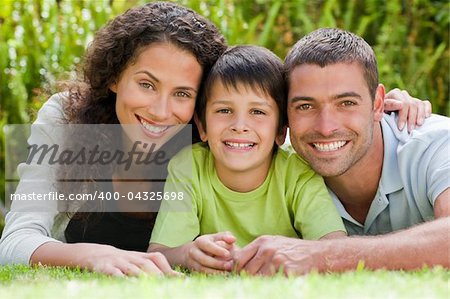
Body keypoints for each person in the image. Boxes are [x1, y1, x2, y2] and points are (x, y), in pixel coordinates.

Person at [0, 2, 227, 276]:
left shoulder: (214, 139)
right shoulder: (65, 119)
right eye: (147, 85)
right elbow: (15, 243)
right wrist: (95, 255)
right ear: (115, 77)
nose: (160, 111)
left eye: (182, 94)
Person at [234, 28, 450, 275]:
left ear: (377, 104)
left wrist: (322, 256)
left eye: (346, 103)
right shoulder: (276, 164)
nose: (326, 128)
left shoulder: (437, 143)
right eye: (305, 106)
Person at [148, 45, 346, 274]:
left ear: (282, 131)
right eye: (224, 111)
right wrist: (188, 254)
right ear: (202, 126)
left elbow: (333, 246)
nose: (240, 126)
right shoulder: (188, 167)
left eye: (258, 112)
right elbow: (159, 254)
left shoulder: (297, 171)